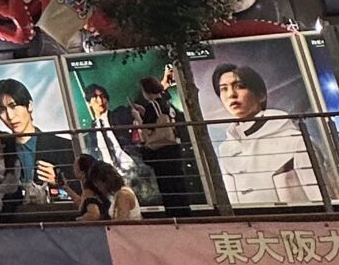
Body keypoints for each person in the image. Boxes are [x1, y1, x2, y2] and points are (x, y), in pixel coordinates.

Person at [211, 62, 323, 206]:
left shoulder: (293, 140)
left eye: (239, 86)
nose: (231, 94)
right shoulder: (226, 148)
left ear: (261, 95)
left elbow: (319, 196)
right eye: (223, 89)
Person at [0, 78, 68, 202]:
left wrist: (59, 181)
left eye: (13, 106)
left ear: (29, 105)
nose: (10, 116)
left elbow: (81, 190)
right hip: (15, 218)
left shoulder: (62, 146)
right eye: (2, 110)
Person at [130, 73, 193, 215]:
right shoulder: (166, 102)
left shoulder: (153, 105)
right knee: (178, 185)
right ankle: (184, 214)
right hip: (174, 147)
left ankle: (174, 216)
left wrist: (138, 117)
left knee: (167, 187)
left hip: (162, 150)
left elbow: (149, 129)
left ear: (146, 91)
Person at [83, 86, 137, 175]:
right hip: (110, 174)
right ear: (89, 102)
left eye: (102, 96)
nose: (100, 101)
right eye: (95, 97)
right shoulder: (92, 132)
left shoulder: (118, 114)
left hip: (131, 167)